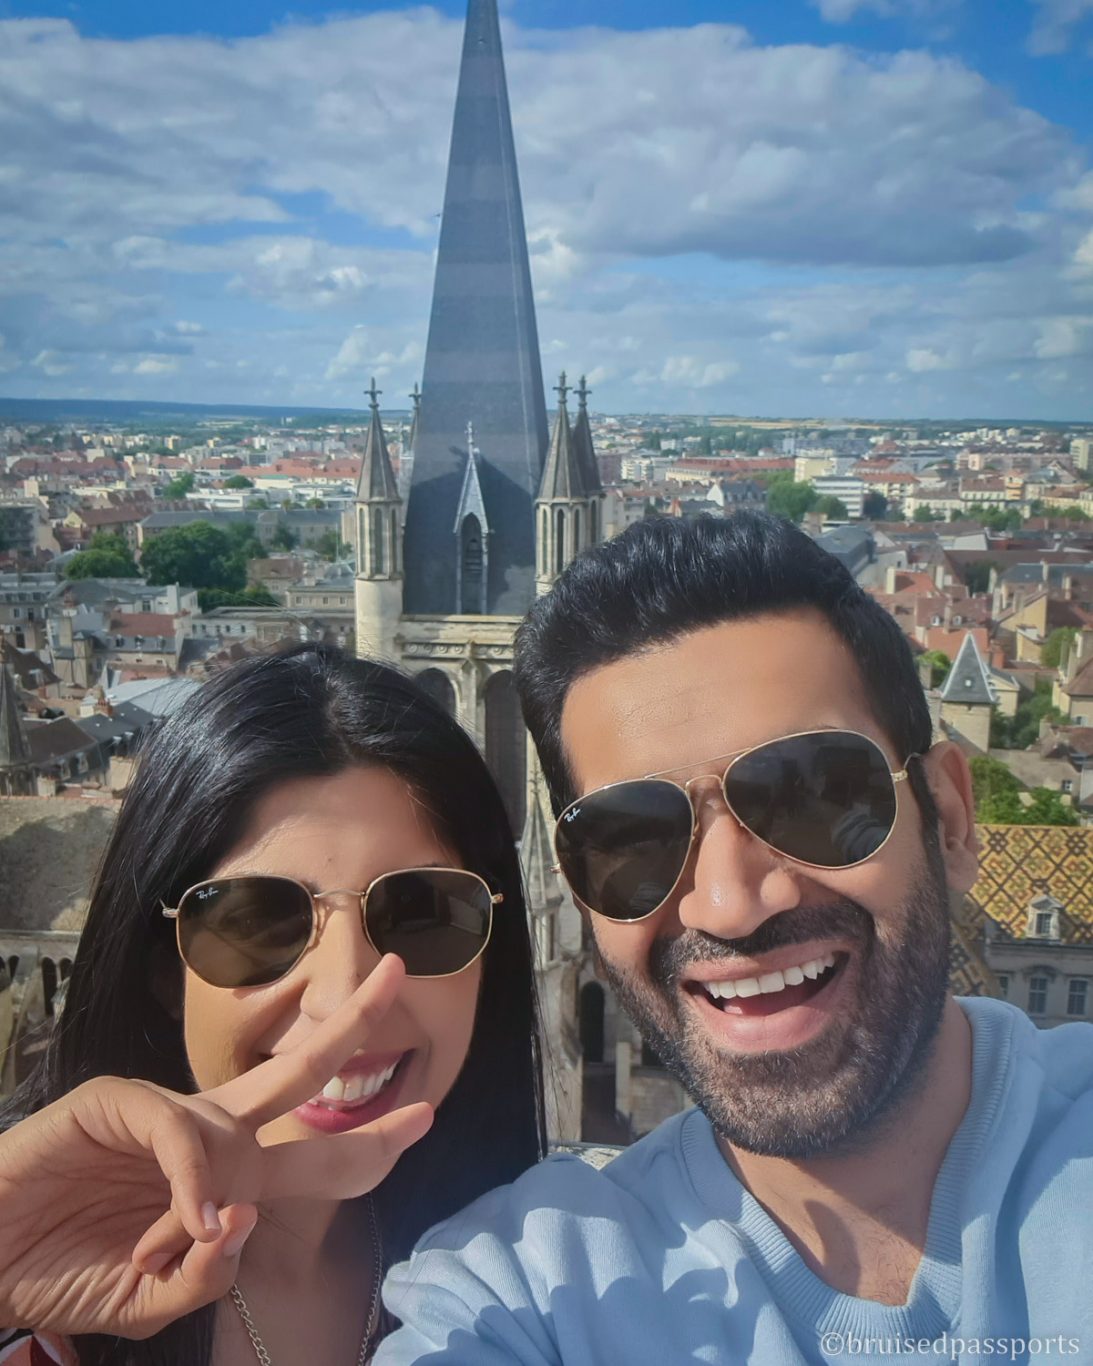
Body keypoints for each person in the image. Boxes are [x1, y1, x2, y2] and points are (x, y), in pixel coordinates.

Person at [377, 512, 1093, 1365]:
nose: (727, 904)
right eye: (630, 838)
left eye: (815, 796)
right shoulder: (522, 1293)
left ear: (947, 819)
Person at [0, 643, 545, 1364]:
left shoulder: (549, 1291)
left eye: (424, 914)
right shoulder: (36, 1301)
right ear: (165, 973)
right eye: (256, 921)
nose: (344, 997)